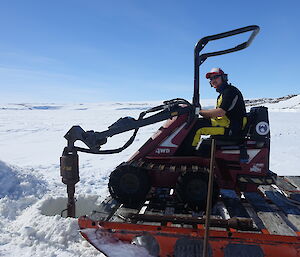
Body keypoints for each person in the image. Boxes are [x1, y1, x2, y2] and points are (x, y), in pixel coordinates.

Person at [192, 67, 246, 147]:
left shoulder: (230, 91)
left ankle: (189, 153)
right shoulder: (223, 93)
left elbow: (220, 112)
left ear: (223, 78)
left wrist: (199, 112)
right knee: (194, 123)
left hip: (231, 129)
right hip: (226, 124)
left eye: (215, 77)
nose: (213, 80)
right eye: (211, 79)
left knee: (197, 128)